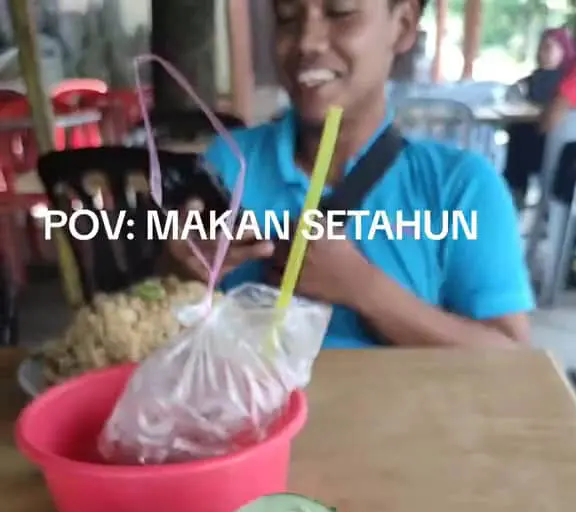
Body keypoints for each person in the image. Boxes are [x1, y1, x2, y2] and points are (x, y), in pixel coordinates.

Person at [166, 0, 532, 348]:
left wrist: (362, 287)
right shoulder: (228, 164)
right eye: (287, 17)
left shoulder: (460, 187)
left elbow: (512, 358)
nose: (307, 42)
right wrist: (180, 269)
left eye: (340, 12)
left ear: (402, 24)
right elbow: (160, 326)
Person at [504, 27, 575, 207]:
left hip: (556, 146)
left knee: (520, 135)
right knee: (519, 132)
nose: (542, 53)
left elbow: (552, 111)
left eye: (549, 48)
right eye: (541, 47)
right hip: (546, 138)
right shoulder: (537, 78)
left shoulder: (563, 80)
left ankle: (515, 190)